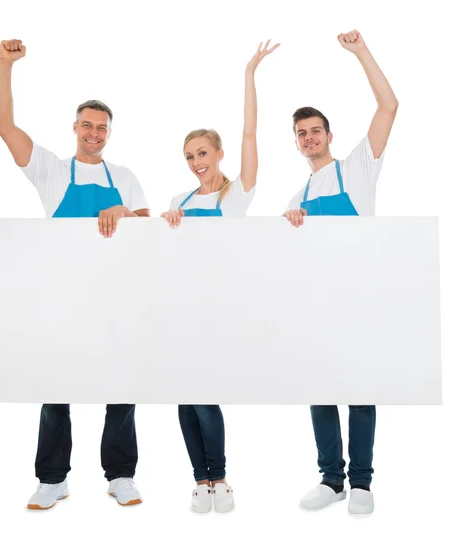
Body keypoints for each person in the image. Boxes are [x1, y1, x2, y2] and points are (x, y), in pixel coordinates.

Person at [0, 39, 150, 510]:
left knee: (120, 386)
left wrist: (123, 210)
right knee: (55, 386)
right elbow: (3, 125)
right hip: (62, 296)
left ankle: (120, 475)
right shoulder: (51, 171)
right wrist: (5, 66)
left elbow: (150, 229)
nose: (94, 133)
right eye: (87, 125)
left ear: (109, 133)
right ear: (75, 127)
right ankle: (52, 478)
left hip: (115, 297)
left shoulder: (122, 175)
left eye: (102, 128)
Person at [161, 40, 279, 513]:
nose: (196, 162)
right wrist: (166, 228)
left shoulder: (235, 197)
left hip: (216, 311)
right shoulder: (178, 202)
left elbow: (251, 136)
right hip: (179, 311)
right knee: (183, 398)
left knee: (203, 394)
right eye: (189, 156)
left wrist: (249, 74)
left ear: (219, 152)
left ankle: (221, 477)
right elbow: (162, 260)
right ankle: (200, 481)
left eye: (203, 152)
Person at [284, 30, 398, 515]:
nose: (310, 138)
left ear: (329, 135)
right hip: (319, 304)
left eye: (316, 131)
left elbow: (389, 106)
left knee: (360, 388)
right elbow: (287, 260)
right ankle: (331, 479)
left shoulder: (357, 170)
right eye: (302, 134)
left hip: (362, 297)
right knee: (320, 386)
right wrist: (289, 229)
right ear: (297, 143)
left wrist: (360, 52)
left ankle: (363, 483)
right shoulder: (297, 199)